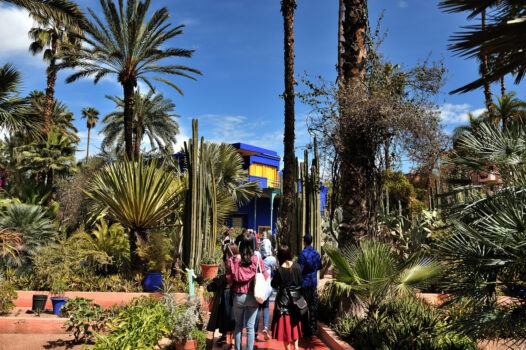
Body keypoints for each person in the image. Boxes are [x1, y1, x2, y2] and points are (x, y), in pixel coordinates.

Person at [226, 233, 269, 350]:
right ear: (253, 244)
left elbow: (229, 279)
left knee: (238, 325)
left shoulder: (233, 260)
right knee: (250, 327)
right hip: (252, 296)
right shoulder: (257, 259)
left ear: (240, 244)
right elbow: (265, 276)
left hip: (238, 295)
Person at [271, 243, 303, 350]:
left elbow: (274, 285)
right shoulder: (297, 267)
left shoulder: (279, 270)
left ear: (279, 256)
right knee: (295, 328)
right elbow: (301, 282)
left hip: (284, 303)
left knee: (286, 331)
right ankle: (297, 348)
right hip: (296, 302)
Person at [207, 243, 238, 349]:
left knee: (229, 318)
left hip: (228, 293)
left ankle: (229, 339)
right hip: (232, 294)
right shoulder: (236, 262)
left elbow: (221, 278)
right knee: (231, 318)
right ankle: (231, 341)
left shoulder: (228, 263)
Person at [297, 234, 322, 337]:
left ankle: (305, 328)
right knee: (313, 305)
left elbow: (300, 269)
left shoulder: (302, 254)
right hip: (313, 282)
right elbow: (320, 266)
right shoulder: (316, 253)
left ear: (304, 242)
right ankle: (313, 327)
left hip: (304, 283)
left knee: (302, 305)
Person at [255, 232, 277, 341]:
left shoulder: (257, 256)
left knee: (257, 308)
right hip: (267, 287)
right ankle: (265, 327)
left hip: (258, 286)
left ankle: (254, 331)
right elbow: (273, 272)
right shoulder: (272, 259)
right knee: (266, 307)